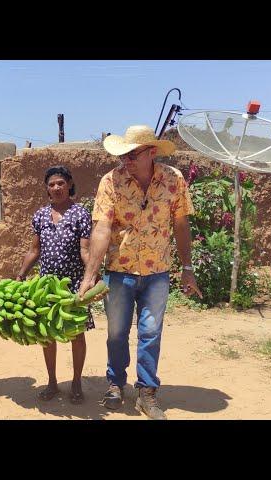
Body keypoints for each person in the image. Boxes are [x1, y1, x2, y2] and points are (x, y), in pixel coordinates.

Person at [78, 125, 202, 420]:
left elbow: (182, 225)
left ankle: (147, 393)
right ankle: (115, 384)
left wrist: (187, 269)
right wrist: (89, 276)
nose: (126, 160)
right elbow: (102, 228)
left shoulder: (174, 180)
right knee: (117, 333)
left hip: (157, 271)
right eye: (123, 155)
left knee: (150, 333)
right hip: (119, 271)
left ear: (152, 153)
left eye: (132, 154)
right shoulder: (111, 181)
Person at [16, 166, 93, 404]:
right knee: (47, 334)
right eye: (51, 184)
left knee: (76, 334)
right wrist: (20, 276)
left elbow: (85, 249)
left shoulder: (80, 213)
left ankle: (77, 382)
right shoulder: (40, 215)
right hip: (47, 284)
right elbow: (34, 250)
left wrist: (92, 276)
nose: (56, 188)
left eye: (60, 183)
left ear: (69, 184)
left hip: (74, 284)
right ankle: (52, 382)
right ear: (46, 188)